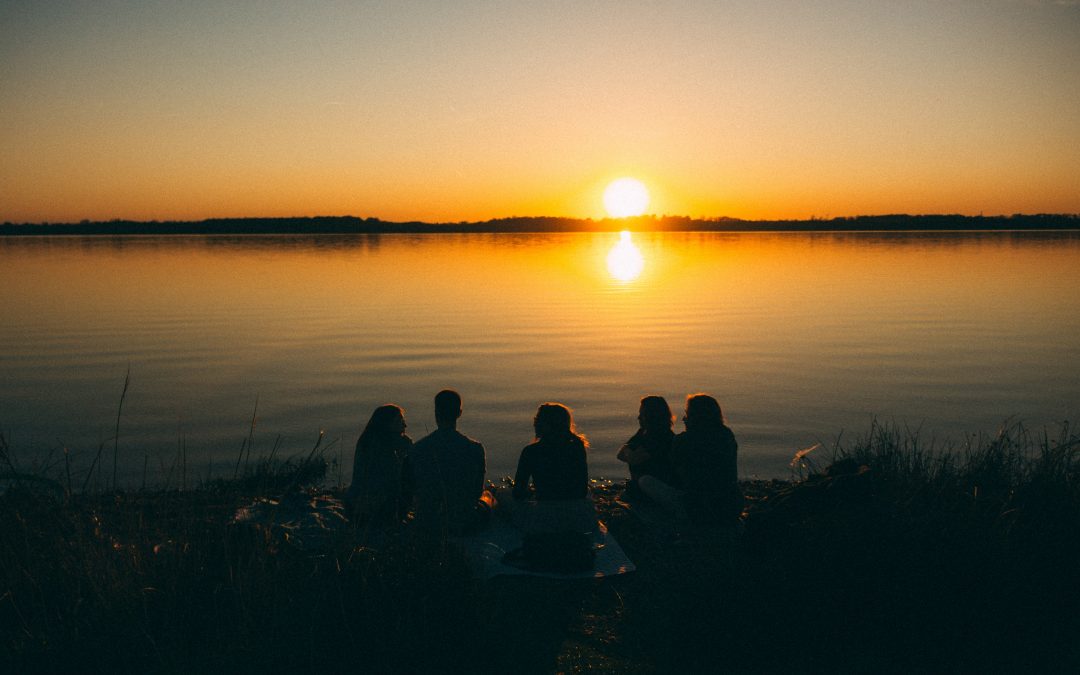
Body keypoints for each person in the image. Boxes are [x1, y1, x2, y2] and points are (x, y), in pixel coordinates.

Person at [639, 393, 741, 526]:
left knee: (645, 481)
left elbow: (674, 472)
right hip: (732, 505)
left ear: (694, 416)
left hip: (698, 508)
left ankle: (680, 516)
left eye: (687, 414)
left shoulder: (683, 441)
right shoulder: (726, 435)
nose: (684, 418)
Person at [502, 402, 596, 535]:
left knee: (501, 496)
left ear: (544, 425)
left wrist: (533, 492)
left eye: (537, 420)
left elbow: (518, 492)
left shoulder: (531, 452)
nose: (534, 423)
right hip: (578, 514)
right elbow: (581, 489)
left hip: (546, 515)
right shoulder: (577, 447)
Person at [406, 389, 491, 536]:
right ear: (459, 413)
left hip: (427, 521)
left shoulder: (417, 449)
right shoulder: (475, 448)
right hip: (462, 522)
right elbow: (477, 491)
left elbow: (410, 487)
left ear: (436, 412)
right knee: (489, 497)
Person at [347, 404, 412, 528]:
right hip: (373, 511)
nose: (405, 425)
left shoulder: (366, 440)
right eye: (400, 421)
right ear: (387, 424)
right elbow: (393, 480)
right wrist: (407, 448)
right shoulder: (385, 448)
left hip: (352, 506)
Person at [616, 395, 676, 498]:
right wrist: (629, 452)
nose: (638, 417)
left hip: (657, 485)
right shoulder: (643, 432)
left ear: (651, 416)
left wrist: (629, 452)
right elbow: (620, 455)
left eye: (642, 414)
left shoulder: (662, 437)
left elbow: (634, 459)